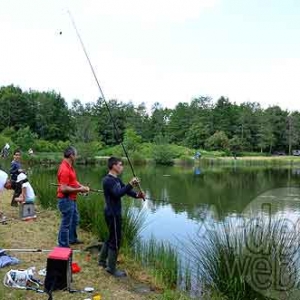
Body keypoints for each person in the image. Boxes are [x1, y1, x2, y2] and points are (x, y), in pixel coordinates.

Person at [98, 157, 145, 277]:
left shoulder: (116, 179)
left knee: (111, 236)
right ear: (114, 166)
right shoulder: (108, 180)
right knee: (116, 240)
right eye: (120, 164)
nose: (122, 166)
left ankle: (102, 261)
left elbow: (125, 190)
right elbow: (118, 193)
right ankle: (111, 268)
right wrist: (131, 183)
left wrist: (137, 195)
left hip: (113, 213)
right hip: (112, 214)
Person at [57, 146, 90, 248]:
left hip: (72, 199)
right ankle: (63, 245)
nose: (77, 156)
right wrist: (80, 190)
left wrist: (81, 187)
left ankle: (72, 239)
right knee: (66, 223)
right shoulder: (64, 169)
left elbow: (73, 182)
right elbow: (63, 188)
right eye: (76, 154)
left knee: (75, 219)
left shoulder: (70, 166)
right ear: (71, 155)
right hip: (65, 200)